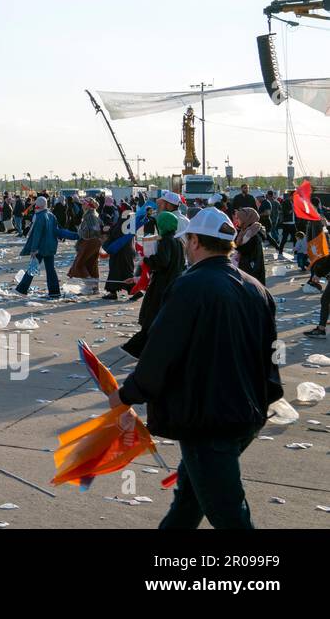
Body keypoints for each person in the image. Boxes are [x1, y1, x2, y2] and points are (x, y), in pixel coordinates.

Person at [110, 207, 282, 529]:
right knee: (189, 502)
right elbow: (271, 356)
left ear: (194, 242)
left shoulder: (190, 287)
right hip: (246, 414)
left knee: (230, 516)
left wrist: (128, 394)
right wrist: (266, 397)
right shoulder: (256, 289)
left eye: (187, 240)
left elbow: (161, 352)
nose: (186, 246)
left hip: (209, 421)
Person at [122, 211, 186, 358]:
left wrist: (147, 260)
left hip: (162, 284)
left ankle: (138, 348)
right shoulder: (179, 241)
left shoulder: (166, 241)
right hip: (173, 283)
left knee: (151, 316)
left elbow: (162, 261)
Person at [19, 195, 76, 299]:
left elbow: (37, 235)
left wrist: (33, 249)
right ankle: (54, 292)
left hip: (40, 249)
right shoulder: (51, 215)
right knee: (50, 270)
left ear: (38, 205)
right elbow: (57, 231)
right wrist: (75, 235)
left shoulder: (39, 217)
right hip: (50, 247)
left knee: (32, 269)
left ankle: (22, 288)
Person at [67, 198, 103, 294]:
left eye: (83, 204)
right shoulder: (93, 213)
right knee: (92, 264)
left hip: (90, 241)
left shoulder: (90, 215)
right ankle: (95, 288)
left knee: (79, 264)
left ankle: (90, 285)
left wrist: (80, 232)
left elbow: (93, 230)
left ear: (88, 205)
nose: (82, 205)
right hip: (95, 242)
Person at [233, 207, 266, 285]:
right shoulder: (245, 230)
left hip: (252, 268)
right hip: (248, 267)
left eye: (239, 218)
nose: (237, 220)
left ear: (246, 219)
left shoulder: (253, 233)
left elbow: (246, 249)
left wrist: (235, 247)